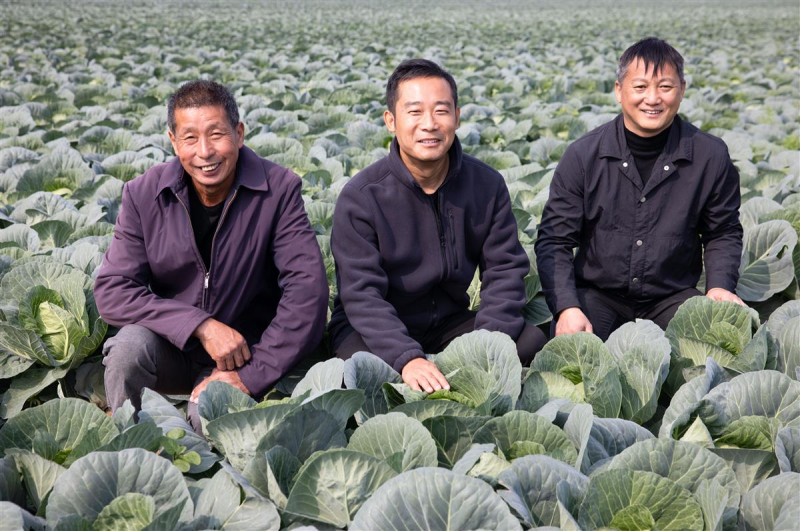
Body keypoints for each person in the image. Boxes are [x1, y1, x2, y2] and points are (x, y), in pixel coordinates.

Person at [94, 80, 328, 431]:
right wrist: (199, 326)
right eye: (189, 138)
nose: (204, 151)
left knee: (208, 422)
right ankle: (129, 440)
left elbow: (307, 294)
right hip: (172, 347)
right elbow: (113, 290)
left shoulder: (278, 190)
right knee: (127, 349)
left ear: (239, 134)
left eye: (216, 135)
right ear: (174, 142)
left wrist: (251, 373)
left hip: (247, 353)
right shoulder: (144, 194)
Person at [329, 59, 548, 394]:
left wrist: (484, 348)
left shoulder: (486, 185)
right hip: (373, 329)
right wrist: (407, 359)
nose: (429, 124)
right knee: (360, 372)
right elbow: (362, 295)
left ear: (457, 117)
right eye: (415, 112)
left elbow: (505, 271)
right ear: (391, 121)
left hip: (448, 322)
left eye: (441, 111)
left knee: (530, 340)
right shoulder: (362, 196)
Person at [535, 37, 744, 341]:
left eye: (665, 87)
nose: (653, 98)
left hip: (672, 298)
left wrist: (719, 286)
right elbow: (555, 240)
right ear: (619, 90)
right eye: (640, 86)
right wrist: (567, 306)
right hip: (598, 295)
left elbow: (722, 231)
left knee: (713, 345)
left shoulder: (710, 156)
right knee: (575, 351)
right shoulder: (583, 156)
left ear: (682, 90)